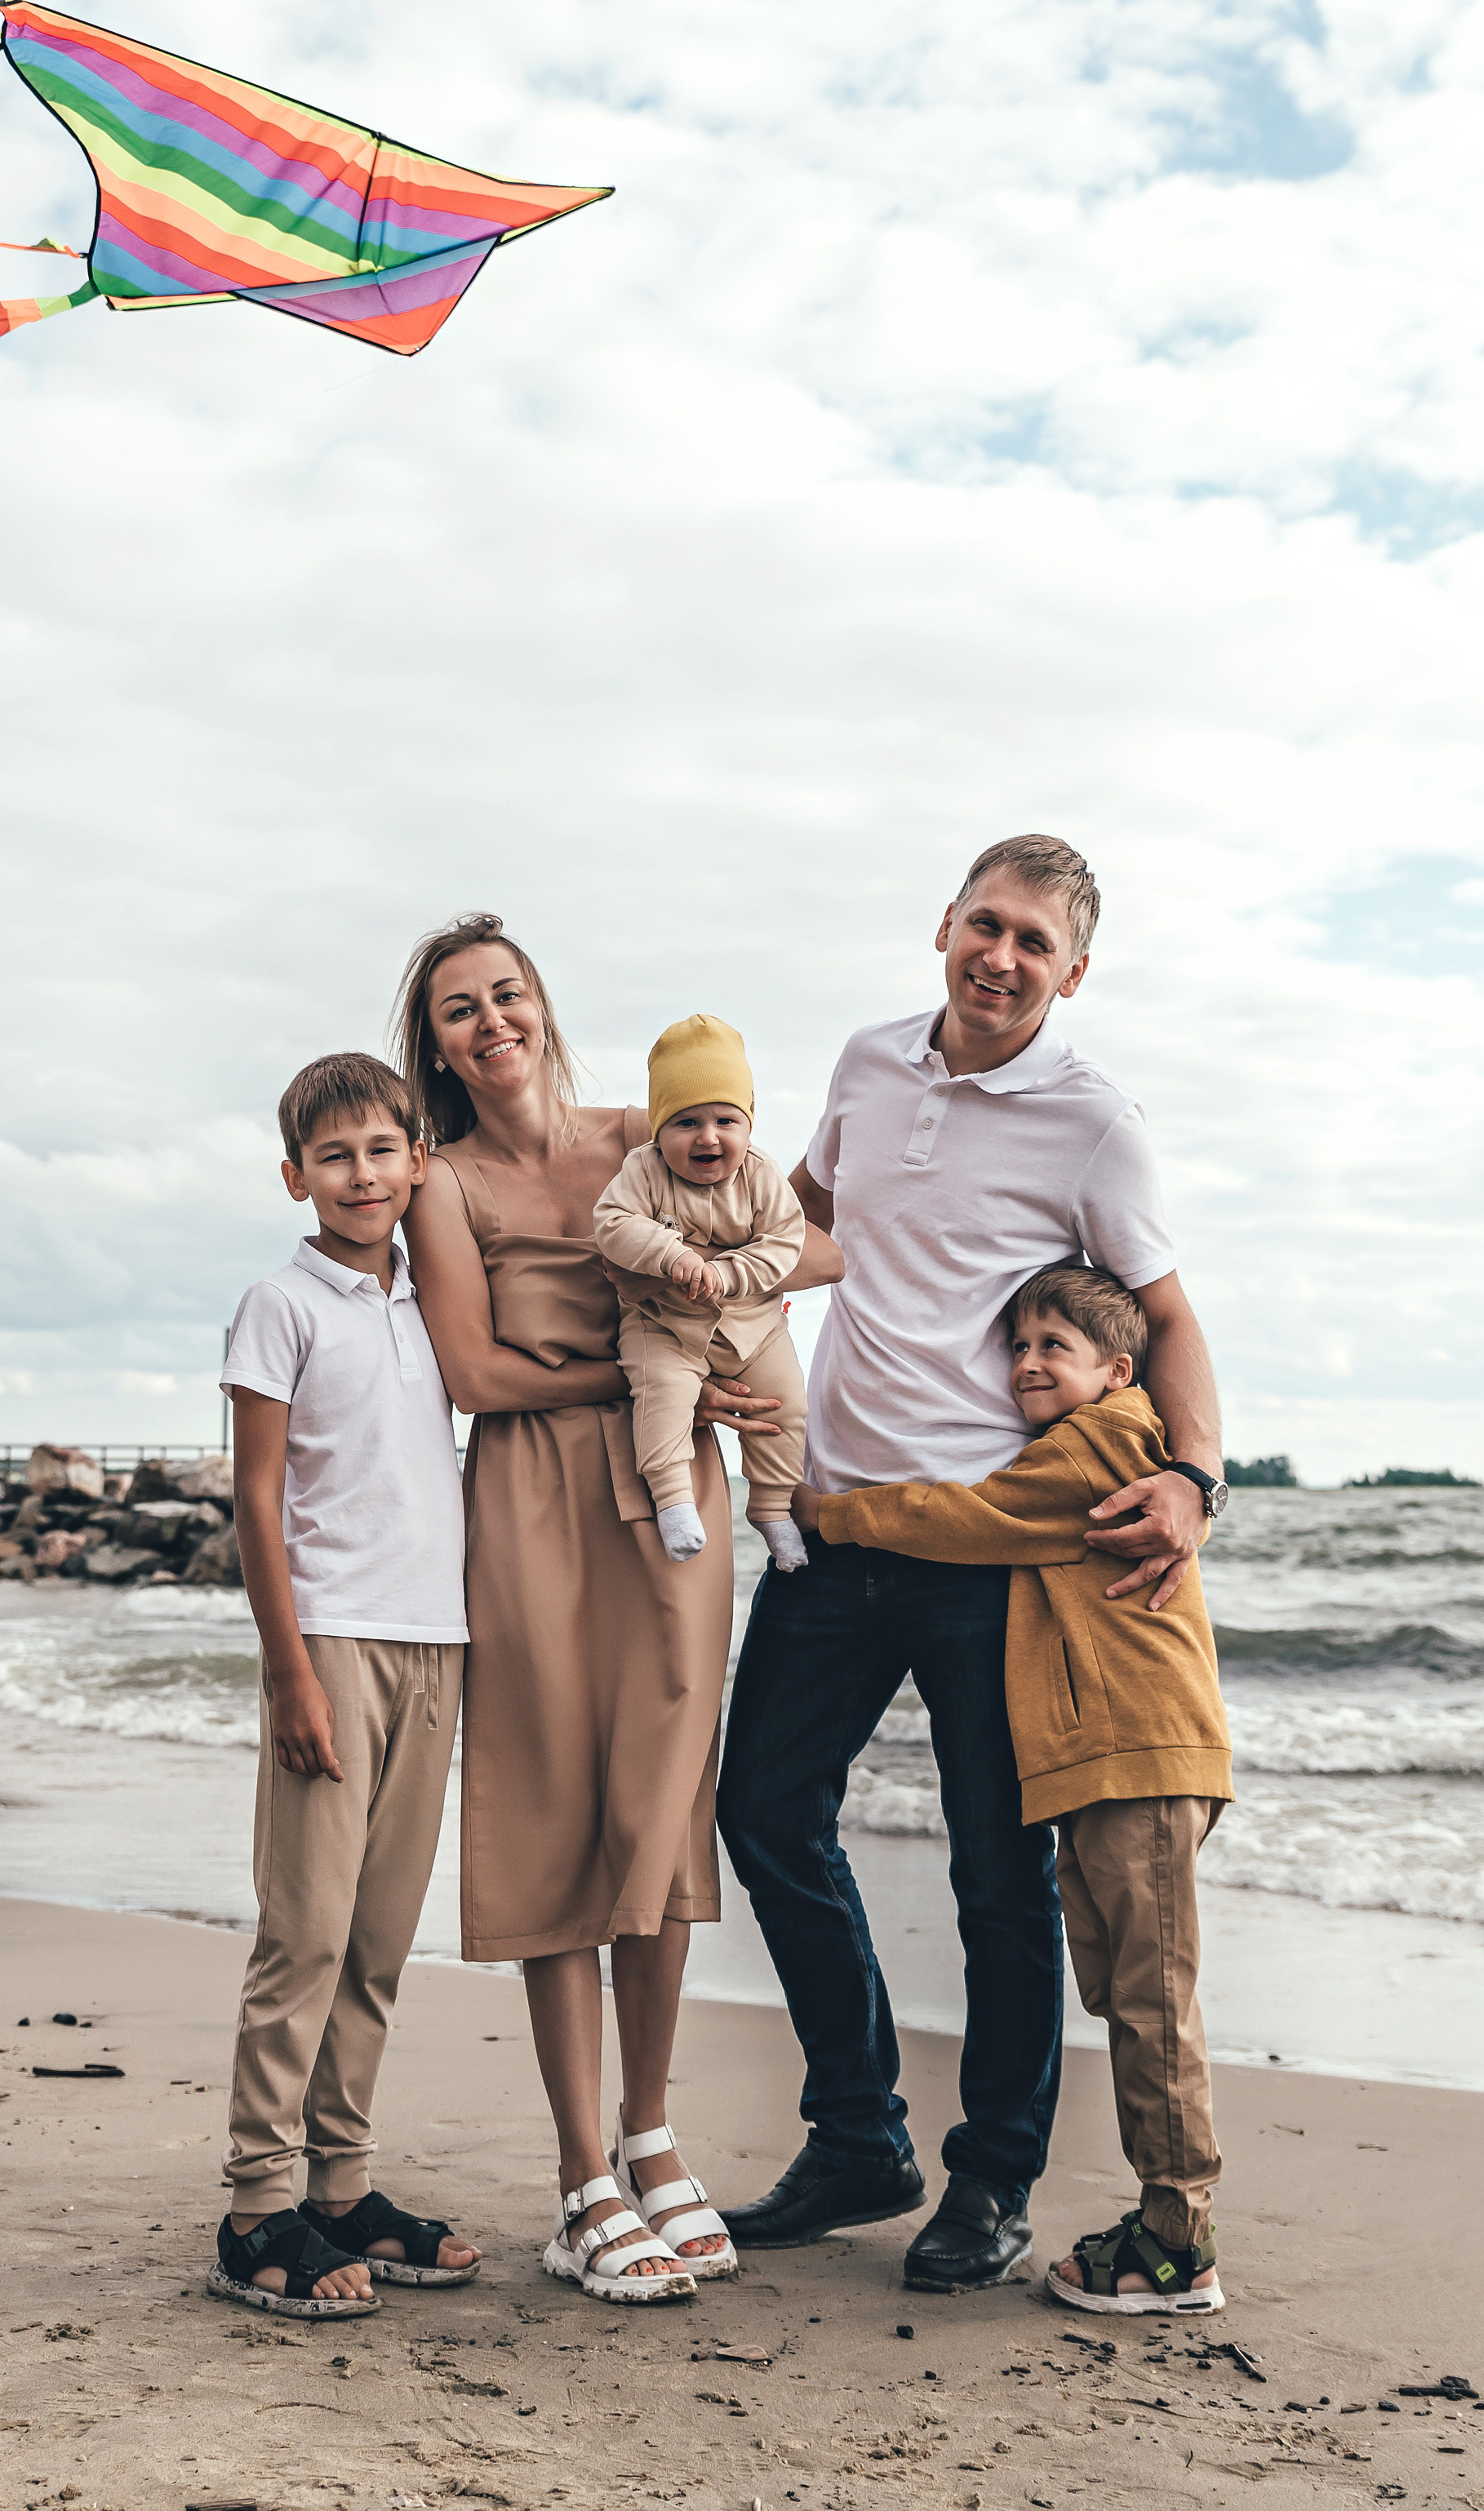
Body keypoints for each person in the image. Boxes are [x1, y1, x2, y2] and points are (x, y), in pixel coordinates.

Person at [716, 833, 1221, 2295]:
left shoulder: (1095, 1122)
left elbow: (1171, 1318)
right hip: (829, 1522)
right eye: (984, 926)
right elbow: (805, 1221)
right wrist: (705, 1309)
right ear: (944, 925)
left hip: (994, 1553)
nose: (1001, 959)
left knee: (1000, 1877)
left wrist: (1193, 1477)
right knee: (761, 1809)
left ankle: (989, 2177)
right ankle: (859, 2133)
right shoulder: (871, 1063)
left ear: (1075, 974)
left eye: (1035, 946)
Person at [398, 914, 841, 2304]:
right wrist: (652, 1384)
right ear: (441, 1040)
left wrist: (727, 1329)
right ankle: (582, 2176)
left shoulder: (645, 1135)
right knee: (551, 1816)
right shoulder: (441, 1180)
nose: (492, 1021)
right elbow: (471, 1376)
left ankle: (654, 2139)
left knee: (659, 1810)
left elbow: (812, 1242)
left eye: (509, 994)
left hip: (672, 1507)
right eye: (461, 1008)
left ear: (542, 1005)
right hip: (530, 1494)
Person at [818, 1259, 1231, 2313]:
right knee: (1120, 1988)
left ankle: (1180, 2245)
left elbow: (969, 1517)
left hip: (1141, 1758)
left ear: (1118, 1368)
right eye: (1019, 1346)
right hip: (1101, 1764)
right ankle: (1162, 2223)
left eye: (1056, 1346)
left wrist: (834, 1513)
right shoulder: (1073, 1440)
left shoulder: (1101, 1446)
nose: (1028, 1363)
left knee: (1152, 2002)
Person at [209, 1051, 482, 2322]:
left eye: (384, 1150)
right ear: (294, 1176)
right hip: (331, 1645)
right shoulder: (281, 1305)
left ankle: (342, 2188)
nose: (363, 1175)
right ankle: (257, 2209)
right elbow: (255, 1497)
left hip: (437, 1645)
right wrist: (289, 1672)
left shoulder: (436, 1306)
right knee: (305, 1935)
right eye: (335, 1156)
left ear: (417, 1161)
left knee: (377, 1941)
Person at [593, 1011, 811, 1573]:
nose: (708, 1136)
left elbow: (787, 1241)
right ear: (659, 1131)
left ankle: (771, 1506)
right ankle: (673, 1501)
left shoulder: (763, 1176)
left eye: (725, 1120)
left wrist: (731, 1272)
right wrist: (673, 1255)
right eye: (686, 1121)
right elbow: (612, 1222)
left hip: (752, 1325)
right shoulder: (642, 1170)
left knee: (786, 1404)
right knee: (661, 1397)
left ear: (748, 1125)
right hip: (663, 1324)